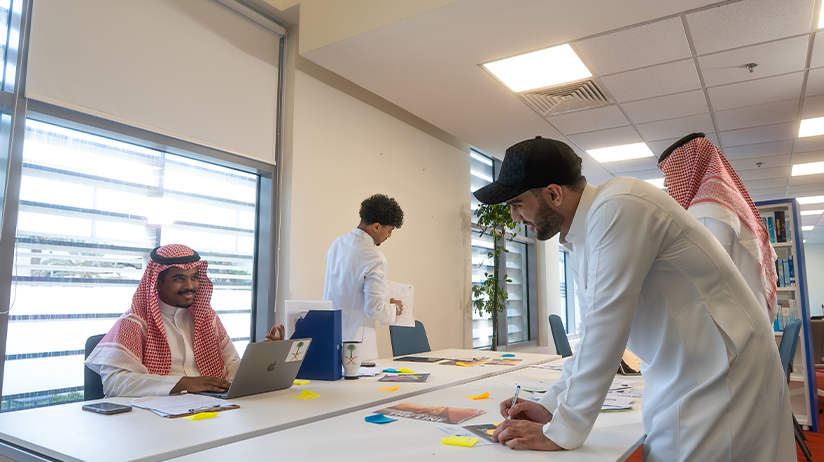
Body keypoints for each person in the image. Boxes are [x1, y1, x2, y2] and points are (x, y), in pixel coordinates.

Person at [473, 136, 793, 461]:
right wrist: (551, 405)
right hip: (686, 371)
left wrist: (561, 430)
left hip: (723, 374)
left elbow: (605, 330)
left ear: (554, 194)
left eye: (517, 204)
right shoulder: (582, 237)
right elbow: (591, 336)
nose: (515, 217)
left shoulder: (618, 206)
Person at [85, 244, 284, 397]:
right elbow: (115, 383)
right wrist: (184, 383)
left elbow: (229, 367)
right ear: (158, 283)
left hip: (209, 410)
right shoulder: (135, 322)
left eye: (194, 277)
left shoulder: (207, 318)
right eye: (179, 279)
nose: (190, 286)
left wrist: (261, 360)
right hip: (156, 418)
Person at [658, 133, 778, 321]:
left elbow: (705, 288)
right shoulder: (728, 203)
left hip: (738, 330)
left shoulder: (706, 211)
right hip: (751, 324)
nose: (666, 184)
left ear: (689, 169)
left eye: (670, 175)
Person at [323, 194, 404, 361]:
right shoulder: (374, 257)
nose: (389, 236)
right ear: (376, 226)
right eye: (389, 230)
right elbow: (374, 309)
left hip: (330, 337)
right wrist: (394, 308)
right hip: (356, 346)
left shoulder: (338, 243)